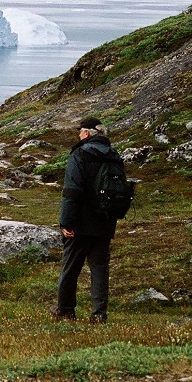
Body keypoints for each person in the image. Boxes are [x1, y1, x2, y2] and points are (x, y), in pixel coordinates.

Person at [52, 116, 124, 324]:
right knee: (99, 269)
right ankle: (99, 314)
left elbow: (72, 191)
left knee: (70, 267)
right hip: (105, 221)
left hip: (81, 222)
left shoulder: (80, 154)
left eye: (80, 130)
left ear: (86, 133)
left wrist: (66, 222)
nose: (78, 134)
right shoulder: (114, 155)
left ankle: (65, 310)